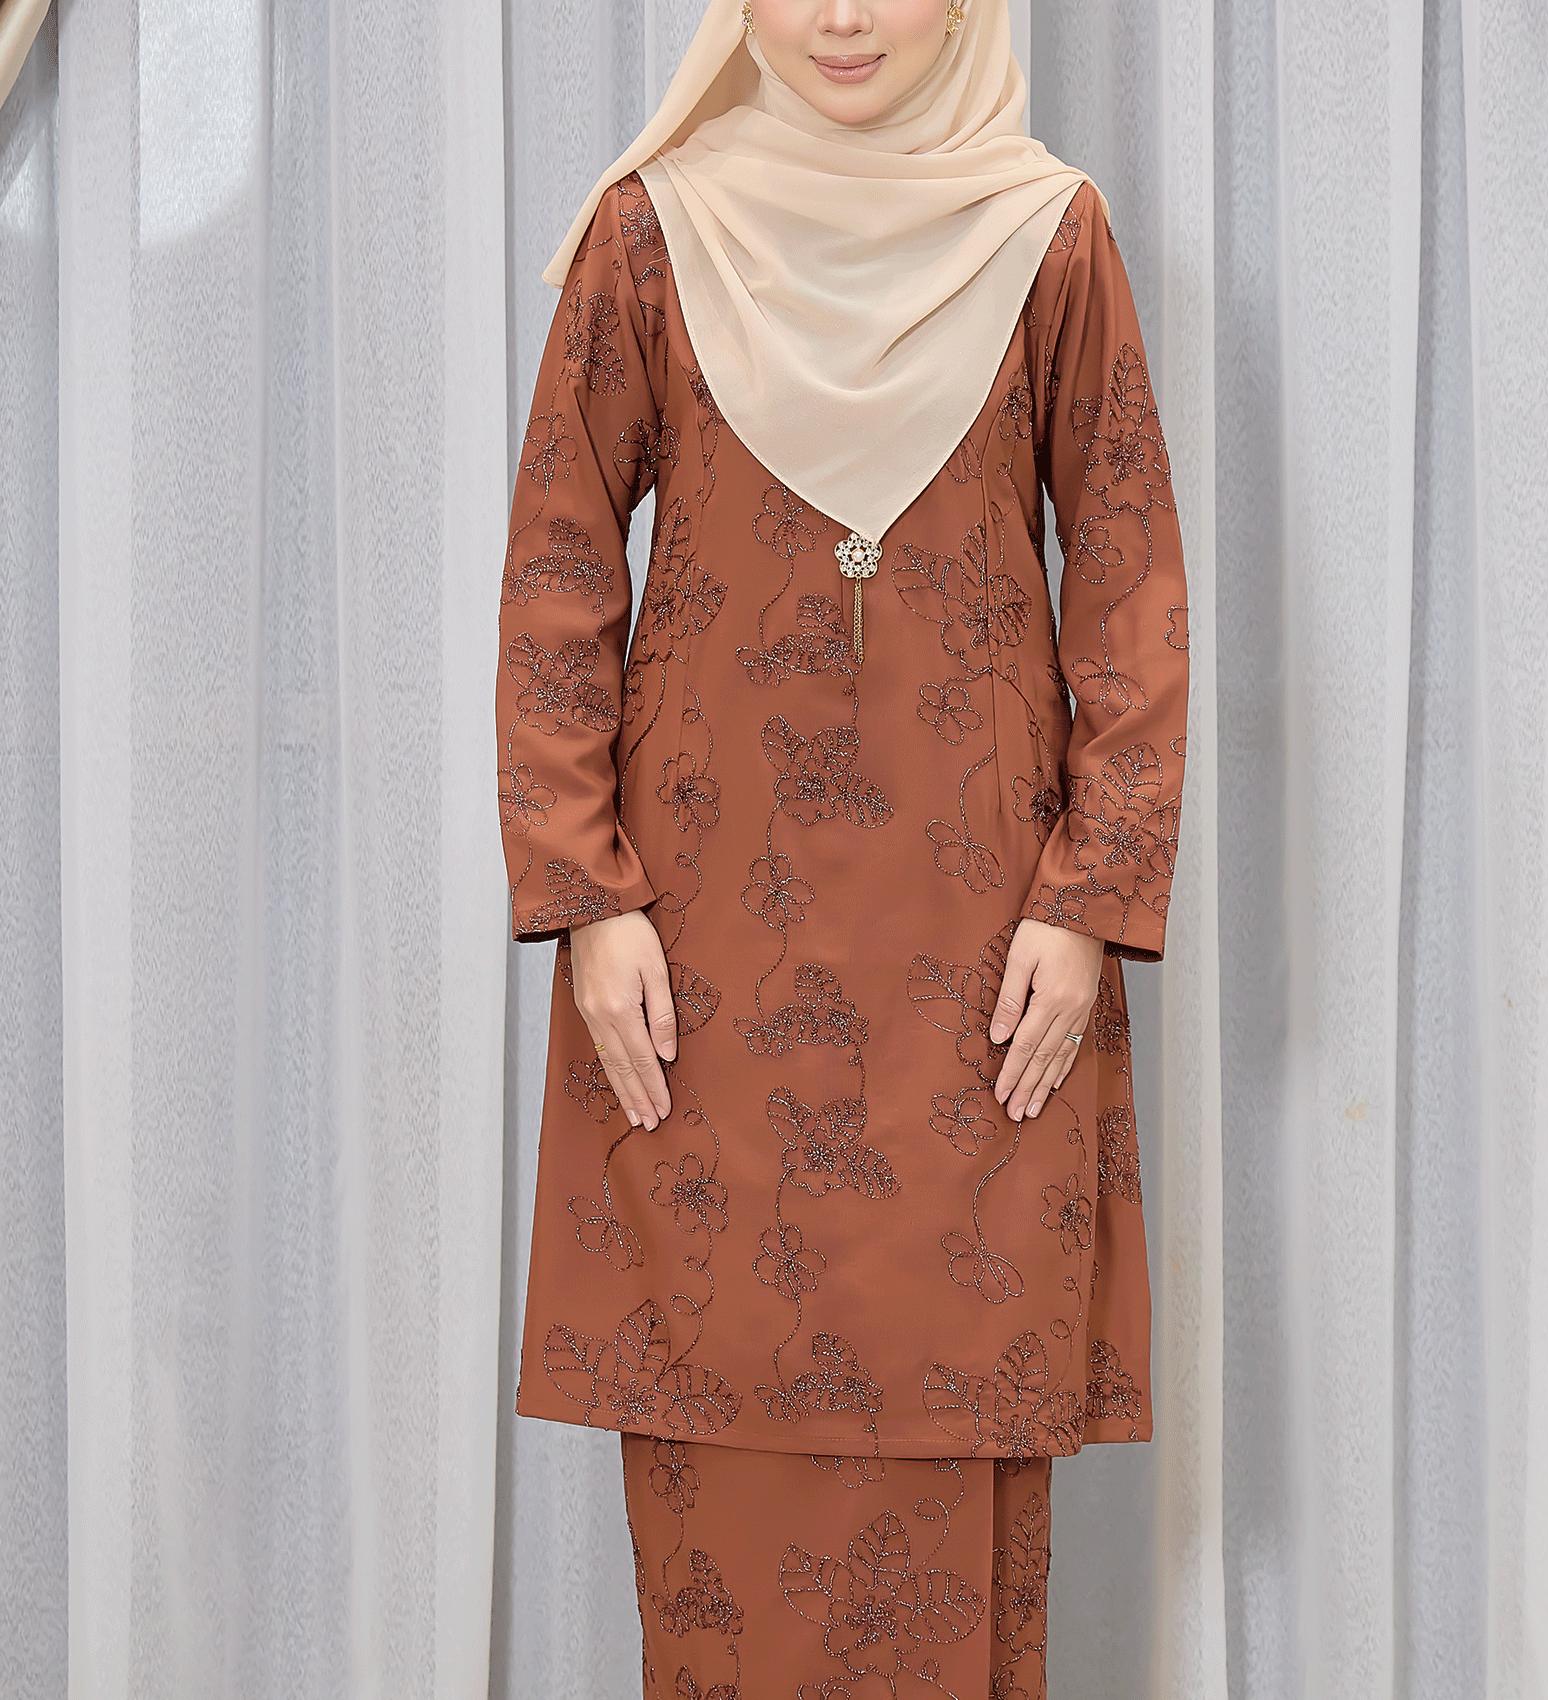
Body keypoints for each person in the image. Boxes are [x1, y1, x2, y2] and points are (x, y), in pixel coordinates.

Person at [494, 0, 1190, 1690]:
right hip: (701, 981)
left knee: (957, 1500)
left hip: (982, 976)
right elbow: (558, 577)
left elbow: (1129, 583)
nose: (844, 18)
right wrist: (585, 897)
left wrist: (1089, 902)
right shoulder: (652, 234)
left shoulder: (1049, 237)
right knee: (719, 1474)